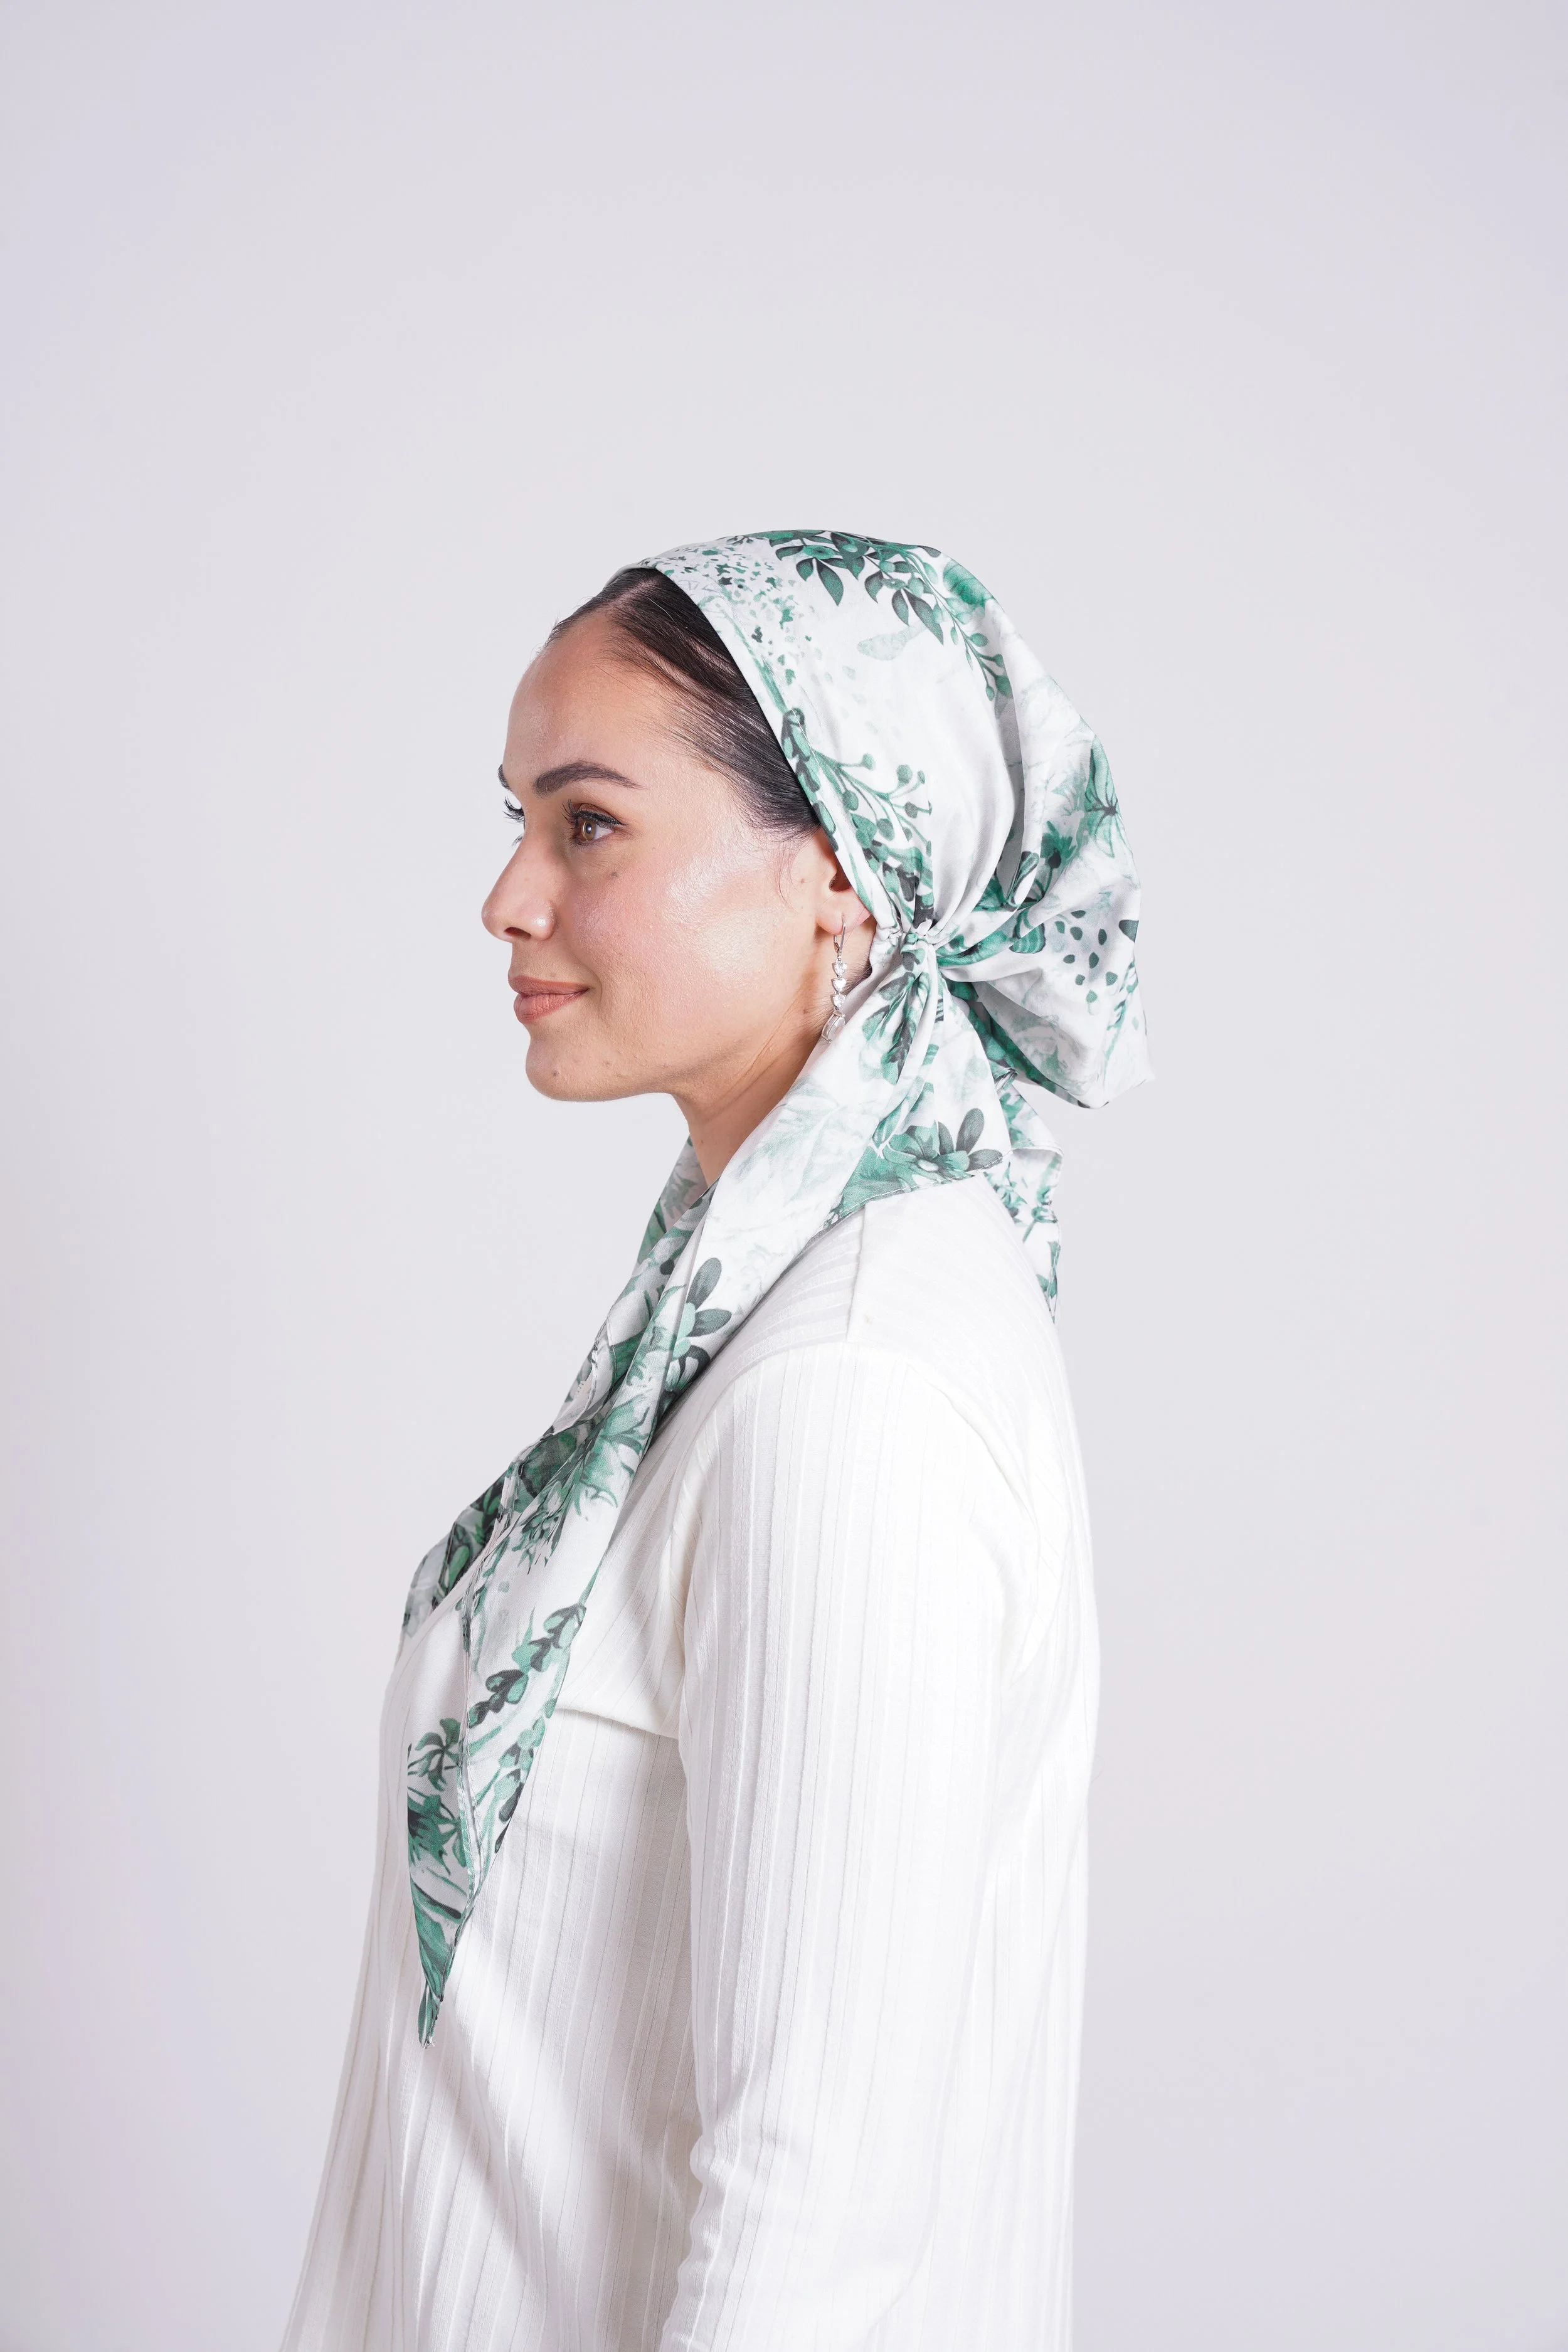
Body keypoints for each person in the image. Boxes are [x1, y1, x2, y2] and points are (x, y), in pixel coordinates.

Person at [282, 531, 1150, 2352]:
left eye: (586, 823)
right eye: (516, 816)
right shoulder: (786, 1299)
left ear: (835, 865)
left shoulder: (843, 1387)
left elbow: (814, 2210)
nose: (507, 895)